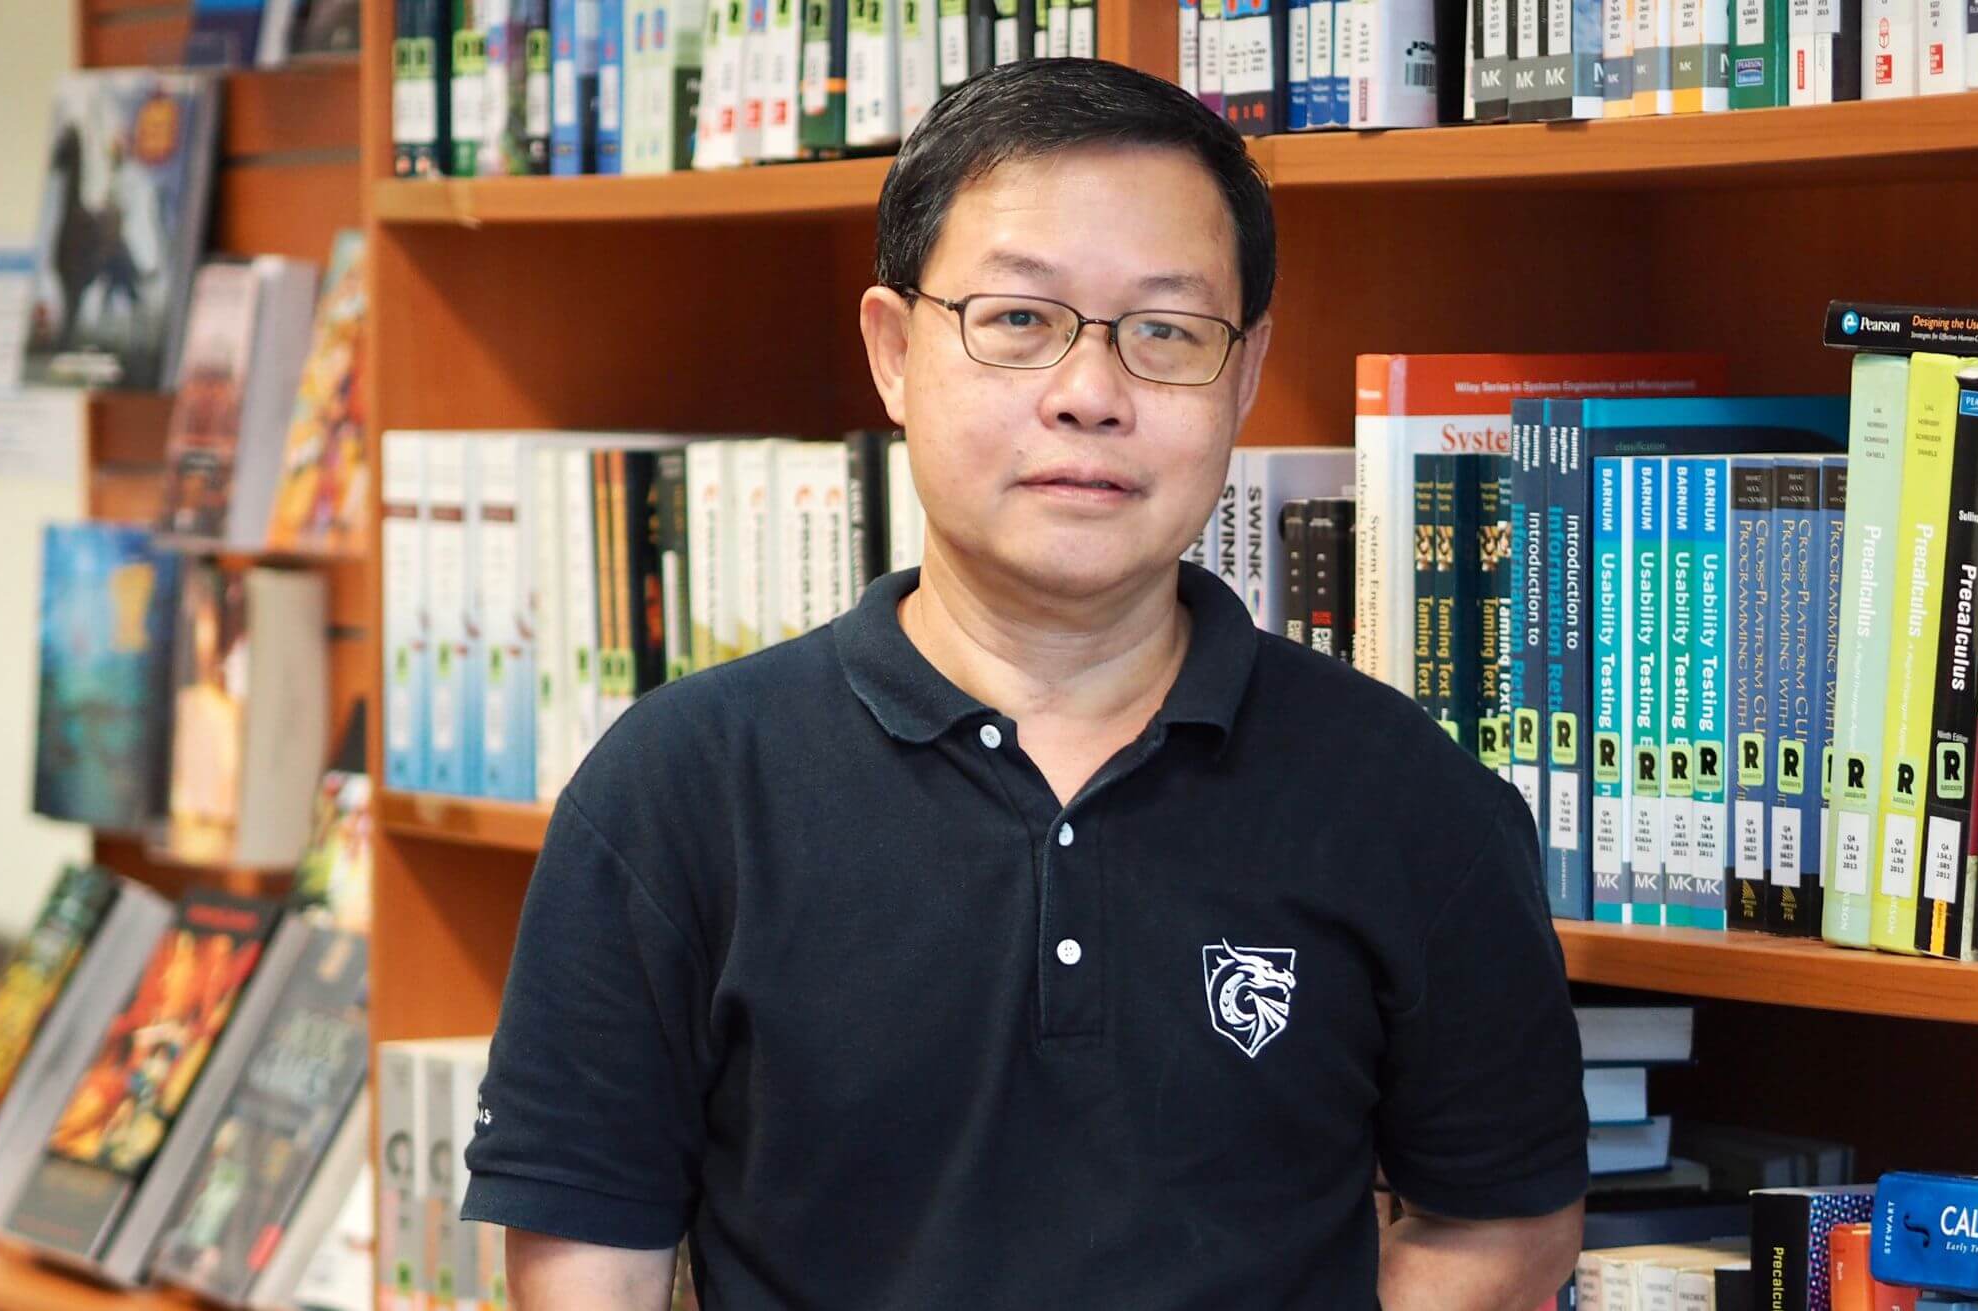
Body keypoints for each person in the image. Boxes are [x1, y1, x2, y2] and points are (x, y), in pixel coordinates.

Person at [464, 57, 1588, 1310]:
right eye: (1017, 321)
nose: (1090, 396)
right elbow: (586, 1260)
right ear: (893, 353)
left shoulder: (1405, 794)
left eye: (1167, 332)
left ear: (1246, 373)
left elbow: (1506, 1223)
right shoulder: (680, 785)